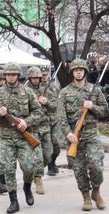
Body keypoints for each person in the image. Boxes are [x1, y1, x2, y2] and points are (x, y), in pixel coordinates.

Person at [0, 62, 42, 213]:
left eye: (13, 74)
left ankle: (27, 187)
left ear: (18, 76)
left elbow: (38, 112)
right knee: (9, 170)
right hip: (5, 137)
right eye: (8, 74)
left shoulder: (28, 92)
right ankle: (14, 201)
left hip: (24, 137)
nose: (11, 77)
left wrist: (26, 121)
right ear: (5, 76)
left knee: (29, 167)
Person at [58, 58, 107, 211]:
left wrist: (92, 106)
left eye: (81, 69)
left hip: (92, 135)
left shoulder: (95, 90)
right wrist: (68, 134)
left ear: (85, 71)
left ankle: (96, 192)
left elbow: (105, 111)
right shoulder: (64, 92)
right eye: (75, 70)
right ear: (72, 72)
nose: (78, 72)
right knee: (79, 170)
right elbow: (61, 117)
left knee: (96, 166)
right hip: (74, 137)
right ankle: (86, 196)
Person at [26, 66, 54, 195]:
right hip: (33, 128)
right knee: (37, 156)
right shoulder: (24, 91)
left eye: (37, 77)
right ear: (29, 78)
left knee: (48, 155)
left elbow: (55, 107)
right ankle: (38, 179)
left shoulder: (46, 90)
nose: (36, 80)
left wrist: (46, 102)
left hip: (45, 127)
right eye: (33, 78)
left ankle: (34, 172)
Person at [40, 66, 61, 176]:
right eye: (42, 75)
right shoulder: (37, 88)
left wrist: (47, 102)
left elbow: (56, 105)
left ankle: (53, 162)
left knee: (57, 144)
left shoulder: (54, 87)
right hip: (44, 121)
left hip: (55, 120)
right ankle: (49, 166)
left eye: (45, 74)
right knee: (48, 146)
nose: (44, 77)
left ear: (49, 74)